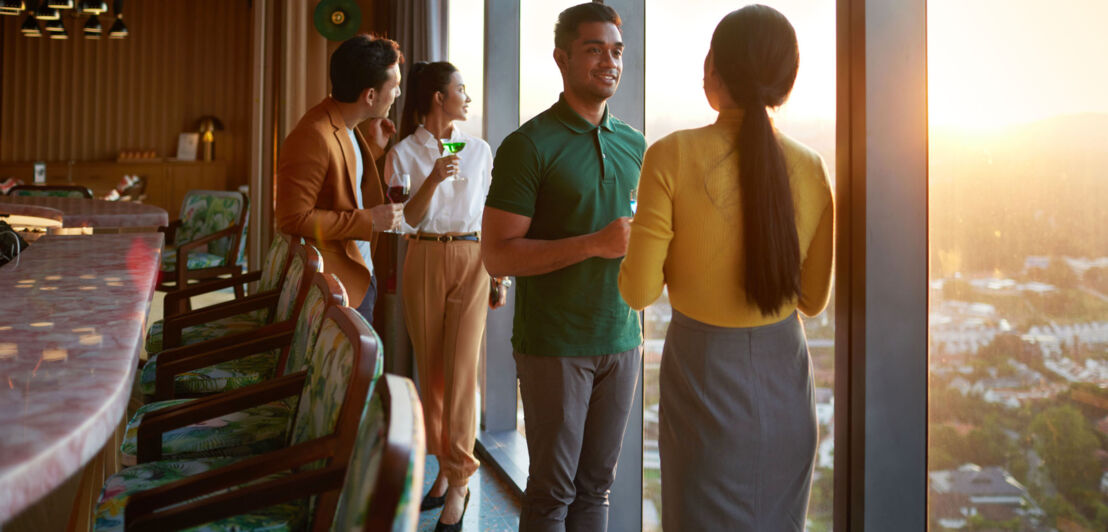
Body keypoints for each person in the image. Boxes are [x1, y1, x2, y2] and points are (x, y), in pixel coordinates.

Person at [618, 5, 834, 530]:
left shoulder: (670, 155)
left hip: (703, 376)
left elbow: (639, 291)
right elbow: (812, 300)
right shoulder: (810, 166)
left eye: (708, 59)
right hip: (786, 377)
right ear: (786, 80)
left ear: (718, 71)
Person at [481, 3, 644, 531]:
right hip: (553, 343)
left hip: (623, 338)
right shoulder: (528, 145)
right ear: (562, 58)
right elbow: (498, 253)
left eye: (616, 51)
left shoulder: (636, 145)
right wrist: (595, 243)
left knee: (597, 489)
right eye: (594, 49)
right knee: (552, 492)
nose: (609, 62)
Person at [384, 61, 503, 531]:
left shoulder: (479, 150)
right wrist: (432, 178)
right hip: (424, 256)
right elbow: (404, 221)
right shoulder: (402, 154)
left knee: (460, 372)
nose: (467, 97)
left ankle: (458, 481)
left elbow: (489, 214)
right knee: (431, 371)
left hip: (473, 258)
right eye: (460, 89)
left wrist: (500, 276)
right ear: (438, 96)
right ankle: (443, 467)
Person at [275, 34, 405, 322]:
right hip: (336, 285)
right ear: (370, 95)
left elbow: (338, 179)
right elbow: (292, 218)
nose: (398, 94)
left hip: (357, 272)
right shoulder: (313, 134)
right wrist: (370, 220)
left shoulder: (343, 124)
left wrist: (373, 148)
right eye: (394, 87)